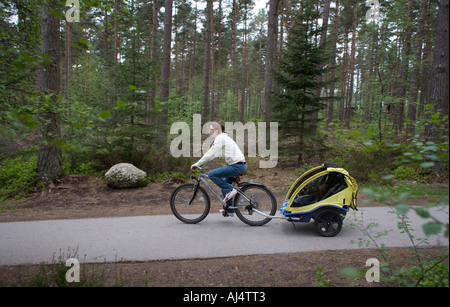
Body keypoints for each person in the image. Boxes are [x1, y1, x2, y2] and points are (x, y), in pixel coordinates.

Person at [190, 121, 246, 216]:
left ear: (217, 130)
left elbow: (210, 153)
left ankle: (231, 191)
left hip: (237, 166)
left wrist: (197, 164)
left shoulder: (220, 138)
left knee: (212, 174)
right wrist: (201, 163)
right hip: (239, 165)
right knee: (225, 186)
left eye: (211, 129)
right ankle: (230, 210)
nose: (210, 132)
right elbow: (213, 155)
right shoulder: (223, 138)